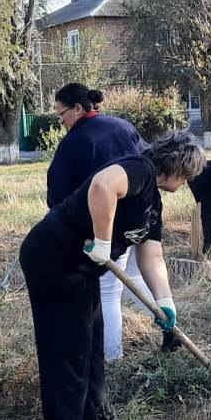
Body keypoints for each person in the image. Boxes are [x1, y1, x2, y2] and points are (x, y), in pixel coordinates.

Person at [19, 131, 206, 420]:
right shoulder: (139, 169)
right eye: (188, 176)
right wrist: (103, 242)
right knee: (66, 351)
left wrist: (165, 302)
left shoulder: (153, 204)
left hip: (81, 270)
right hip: (53, 259)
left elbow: (152, 255)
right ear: (180, 169)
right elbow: (103, 186)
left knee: (91, 349)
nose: (187, 183)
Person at [46, 82, 152, 361]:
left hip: (105, 230)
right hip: (138, 217)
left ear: (78, 108)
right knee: (137, 276)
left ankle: (112, 358)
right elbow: (148, 162)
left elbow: (58, 196)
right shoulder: (123, 126)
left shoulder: (74, 142)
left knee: (107, 294)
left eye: (62, 115)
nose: (62, 122)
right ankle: (164, 317)